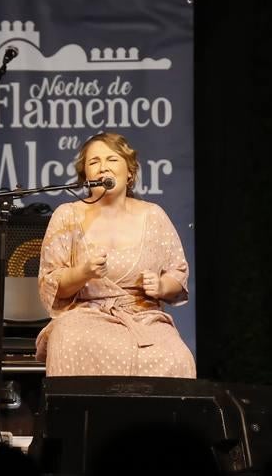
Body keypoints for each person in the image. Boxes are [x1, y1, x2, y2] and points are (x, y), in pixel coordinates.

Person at [36, 131, 196, 378]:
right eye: (93, 162)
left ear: (130, 171)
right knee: (68, 338)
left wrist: (162, 286)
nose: (103, 168)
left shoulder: (153, 215)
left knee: (178, 357)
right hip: (85, 318)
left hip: (144, 319)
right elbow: (51, 284)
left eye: (112, 160)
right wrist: (82, 273)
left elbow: (177, 274)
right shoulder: (67, 215)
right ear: (85, 176)